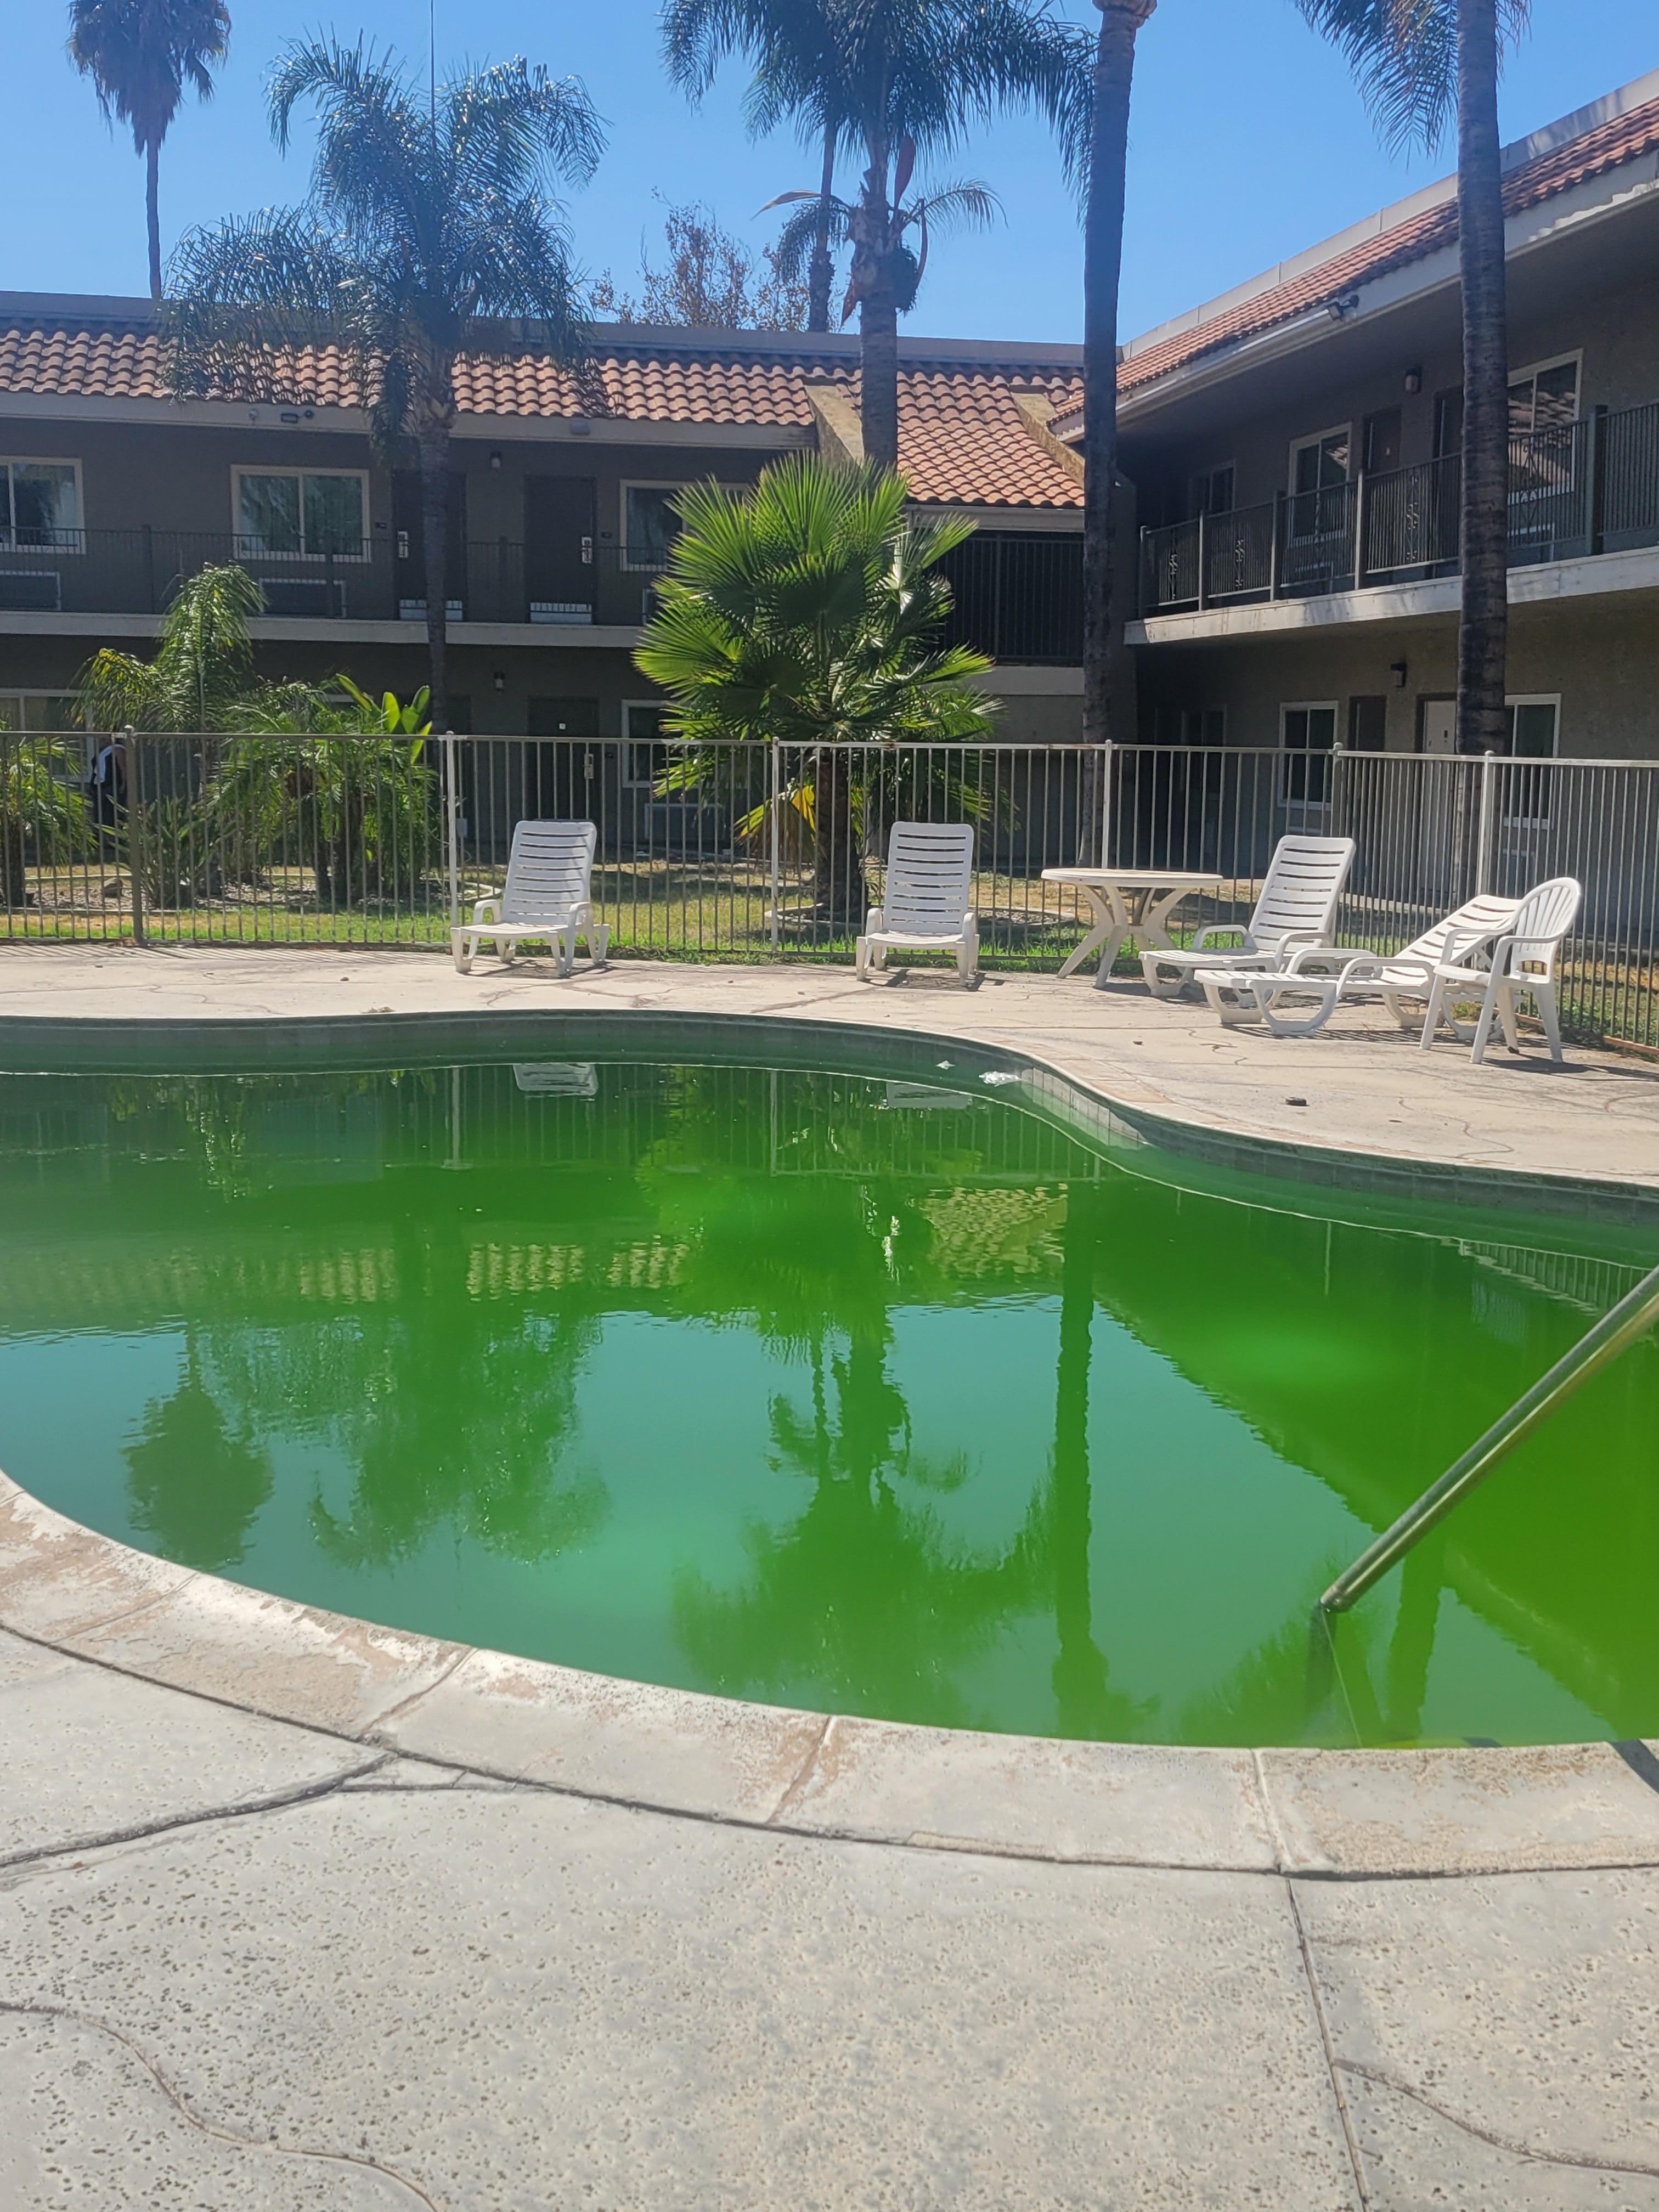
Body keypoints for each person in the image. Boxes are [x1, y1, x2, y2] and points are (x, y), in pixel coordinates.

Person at [89, 735, 128, 829]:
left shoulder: (118, 750)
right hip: (100, 788)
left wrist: (124, 784)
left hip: (112, 786)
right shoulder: (102, 751)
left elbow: (123, 768)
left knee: (111, 815)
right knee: (99, 816)